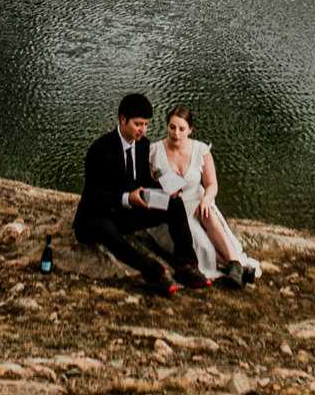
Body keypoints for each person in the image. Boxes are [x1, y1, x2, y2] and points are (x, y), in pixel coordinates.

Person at [74, 91, 206, 295]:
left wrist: (165, 188)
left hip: (127, 213)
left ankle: (186, 265)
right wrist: (127, 197)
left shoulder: (143, 145)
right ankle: (153, 272)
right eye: (138, 124)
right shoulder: (99, 149)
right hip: (96, 215)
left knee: (175, 204)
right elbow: (95, 195)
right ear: (122, 119)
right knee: (106, 228)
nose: (143, 130)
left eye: (146, 124)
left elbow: (143, 181)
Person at [143, 106, 260, 287]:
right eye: (172, 127)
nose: (176, 133)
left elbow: (212, 184)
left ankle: (235, 265)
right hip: (173, 211)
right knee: (204, 247)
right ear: (166, 126)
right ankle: (237, 270)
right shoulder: (154, 151)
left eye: (182, 129)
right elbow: (147, 186)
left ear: (190, 130)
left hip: (197, 202)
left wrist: (206, 199)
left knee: (208, 214)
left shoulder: (201, 150)